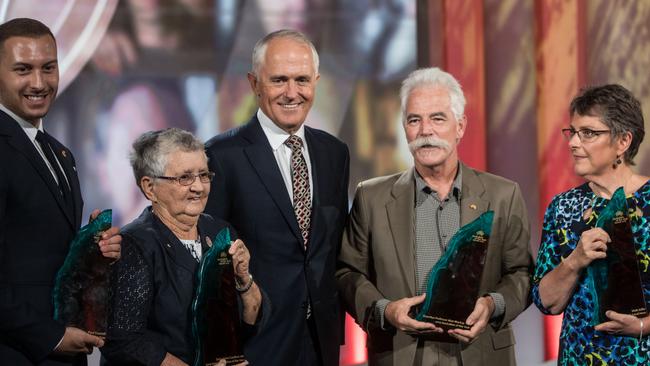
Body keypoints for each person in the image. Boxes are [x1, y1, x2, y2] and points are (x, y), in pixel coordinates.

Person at [336, 67, 533, 365]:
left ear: (460, 126)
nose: (425, 130)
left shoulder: (503, 195)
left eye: (438, 118)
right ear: (405, 128)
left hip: (478, 353)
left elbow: (522, 273)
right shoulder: (371, 197)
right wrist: (385, 310)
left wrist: (493, 305)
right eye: (415, 120)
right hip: (401, 353)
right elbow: (347, 273)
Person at [204, 29, 350, 366]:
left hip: (321, 342)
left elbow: (331, 248)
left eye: (302, 80)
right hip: (256, 343)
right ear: (254, 83)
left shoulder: (334, 153)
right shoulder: (221, 155)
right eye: (279, 80)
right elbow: (213, 262)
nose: (292, 92)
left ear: (316, 81)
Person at [0, 18, 121, 365]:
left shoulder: (58, 152)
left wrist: (92, 250)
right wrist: (50, 337)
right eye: (23, 69)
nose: (39, 83)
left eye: (48, 68)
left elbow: (40, 248)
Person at [101, 128, 264, 365]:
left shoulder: (220, 233)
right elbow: (125, 341)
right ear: (149, 187)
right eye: (184, 177)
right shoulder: (134, 246)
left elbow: (247, 324)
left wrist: (243, 280)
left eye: (204, 175)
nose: (199, 187)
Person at [533, 84, 649, 364]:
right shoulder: (562, 207)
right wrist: (575, 260)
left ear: (623, 141)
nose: (573, 142)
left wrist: (644, 326)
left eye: (588, 133)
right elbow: (547, 302)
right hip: (580, 357)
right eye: (572, 132)